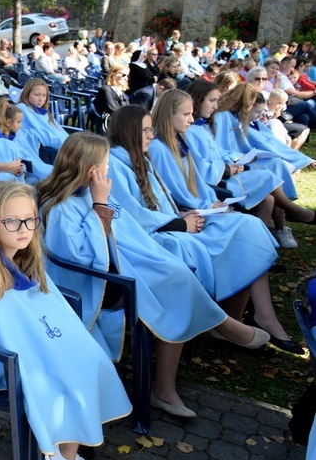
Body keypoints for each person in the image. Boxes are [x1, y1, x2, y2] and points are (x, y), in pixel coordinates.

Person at [38, 132, 270, 419]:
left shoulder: (89, 194)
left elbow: (130, 230)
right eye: (106, 164)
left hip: (116, 268)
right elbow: (83, 258)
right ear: (91, 171)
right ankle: (213, 337)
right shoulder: (61, 207)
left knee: (175, 273)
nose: (109, 170)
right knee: (173, 287)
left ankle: (173, 377)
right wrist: (100, 206)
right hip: (91, 284)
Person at [0, 180, 132, 460]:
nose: (24, 229)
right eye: (12, 221)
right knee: (67, 377)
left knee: (90, 360)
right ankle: (61, 458)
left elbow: (36, 314)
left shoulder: (22, 259)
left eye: (30, 220)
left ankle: (65, 443)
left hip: (27, 344)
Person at [107, 105, 290, 342]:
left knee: (248, 227)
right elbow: (132, 216)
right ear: (128, 131)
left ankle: (239, 315)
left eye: (150, 129)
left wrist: (185, 214)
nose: (150, 135)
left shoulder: (140, 157)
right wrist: (181, 224)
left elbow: (161, 200)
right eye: (144, 131)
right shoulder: (115, 163)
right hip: (152, 236)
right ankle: (226, 322)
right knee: (232, 238)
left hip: (175, 220)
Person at [148, 90, 304, 354]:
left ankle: (244, 316)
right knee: (248, 230)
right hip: (186, 217)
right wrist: (205, 206)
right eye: (185, 114)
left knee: (250, 229)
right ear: (168, 115)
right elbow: (171, 194)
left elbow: (195, 182)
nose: (191, 118)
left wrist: (213, 202)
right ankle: (247, 319)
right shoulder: (159, 148)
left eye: (190, 113)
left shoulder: (179, 140)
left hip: (202, 209)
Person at [186, 80, 313, 249]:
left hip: (224, 172)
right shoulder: (190, 130)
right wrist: (227, 168)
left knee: (267, 199)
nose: (216, 106)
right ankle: (293, 212)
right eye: (211, 100)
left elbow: (218, 151)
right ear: (198, 100)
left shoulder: (200, 127)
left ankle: (259, 248)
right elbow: (198, 167)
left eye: (217, 100)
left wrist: (236, 159)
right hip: (214, 183)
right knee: (267, 175)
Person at [0, 97, 52, 180]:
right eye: (18, 122)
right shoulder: (0, 141)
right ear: (8, 122)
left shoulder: (15, 135)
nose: (21, 125)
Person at [16, 78, 68, 150]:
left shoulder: (44, 113)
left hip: (67, 143)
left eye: (44, 96)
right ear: (27, 94)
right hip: (56, 150)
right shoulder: (22, 108)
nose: (41, 99)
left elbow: (58, 131)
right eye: (37, 95)